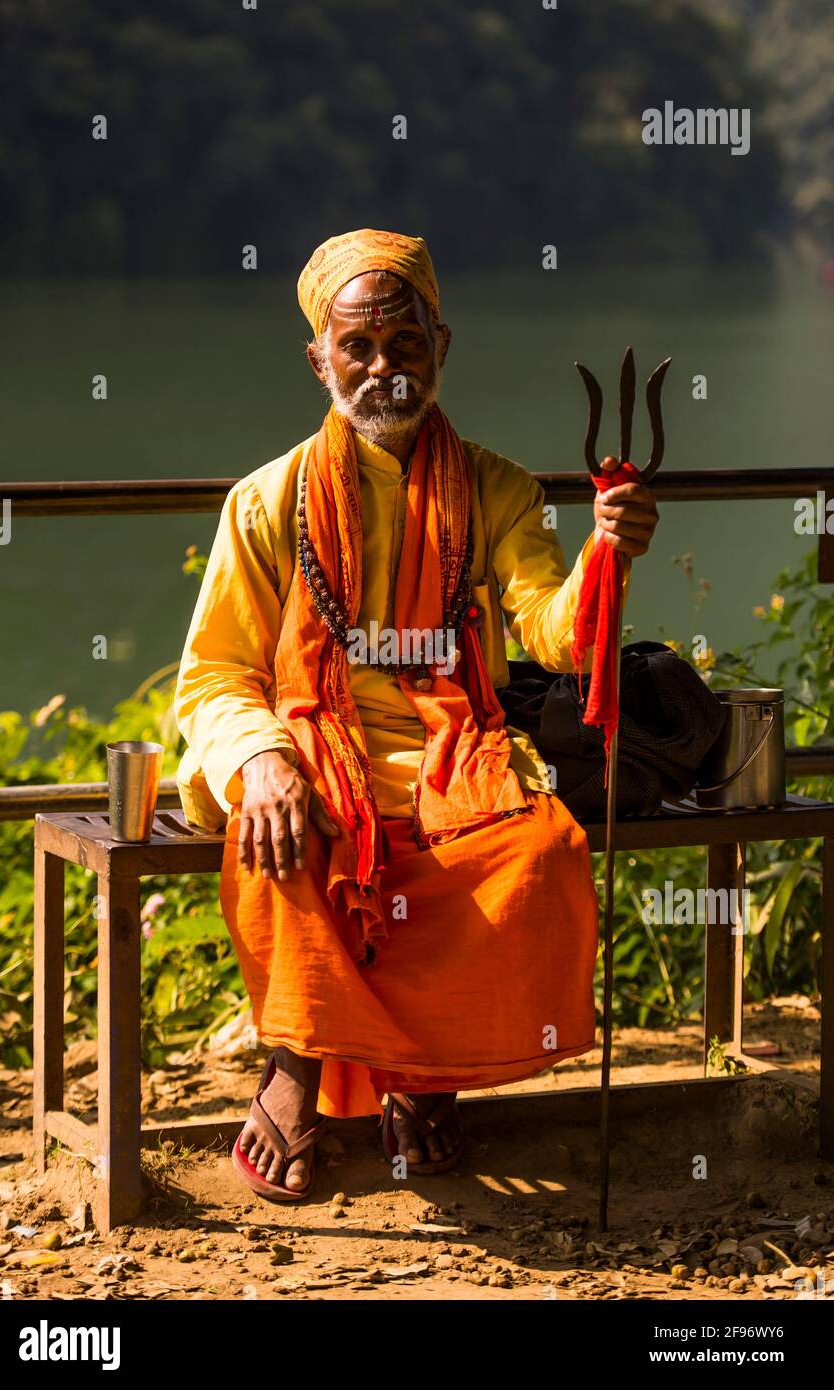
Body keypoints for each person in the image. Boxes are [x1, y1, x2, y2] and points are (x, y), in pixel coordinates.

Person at [173, 228, 660, 1201]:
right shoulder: (265, 503)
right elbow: (215, 674)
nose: (384, 367)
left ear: (442, 345)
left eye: (405, 343)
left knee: (536, 850)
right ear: (321, 359)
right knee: (290, 834)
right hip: (306, 741)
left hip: (451, 744)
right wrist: (262, 758)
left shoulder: (496, 489)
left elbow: (555, 637)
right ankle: (295, 1070)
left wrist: (609, 555)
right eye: (358, 348)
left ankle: (424, 1072)